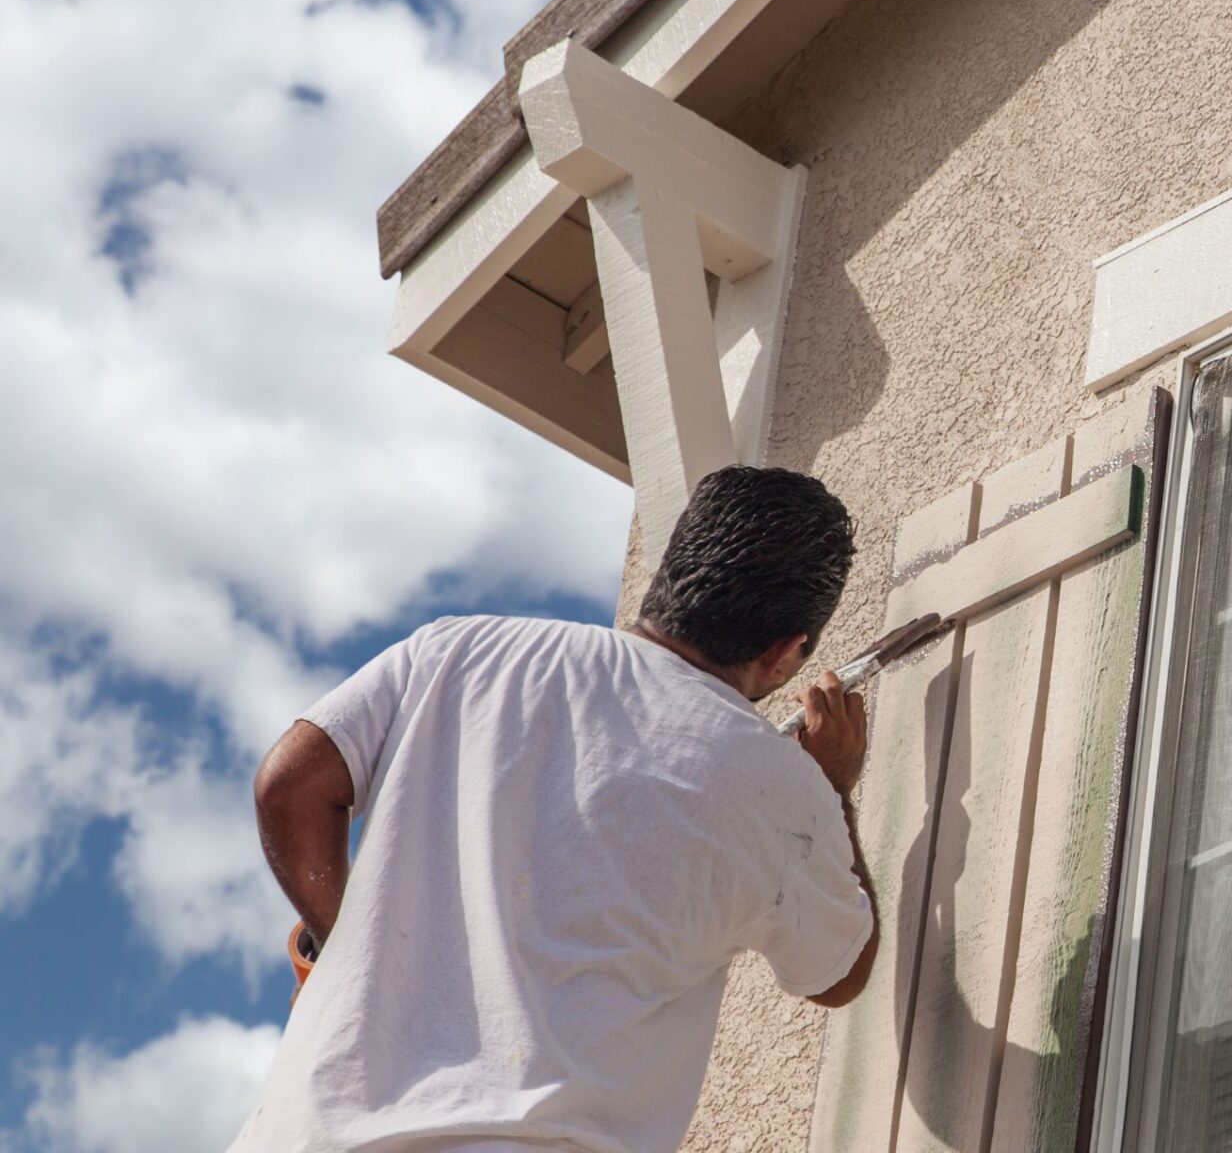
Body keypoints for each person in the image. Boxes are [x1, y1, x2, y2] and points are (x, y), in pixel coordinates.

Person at [232, 465, 939, 1152]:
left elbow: (289, 786)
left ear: (671, 576)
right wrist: (833, 787)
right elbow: (837, 971)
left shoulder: (461, 649)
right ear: (786, 653)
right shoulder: (780, 784)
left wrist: (348, 945)